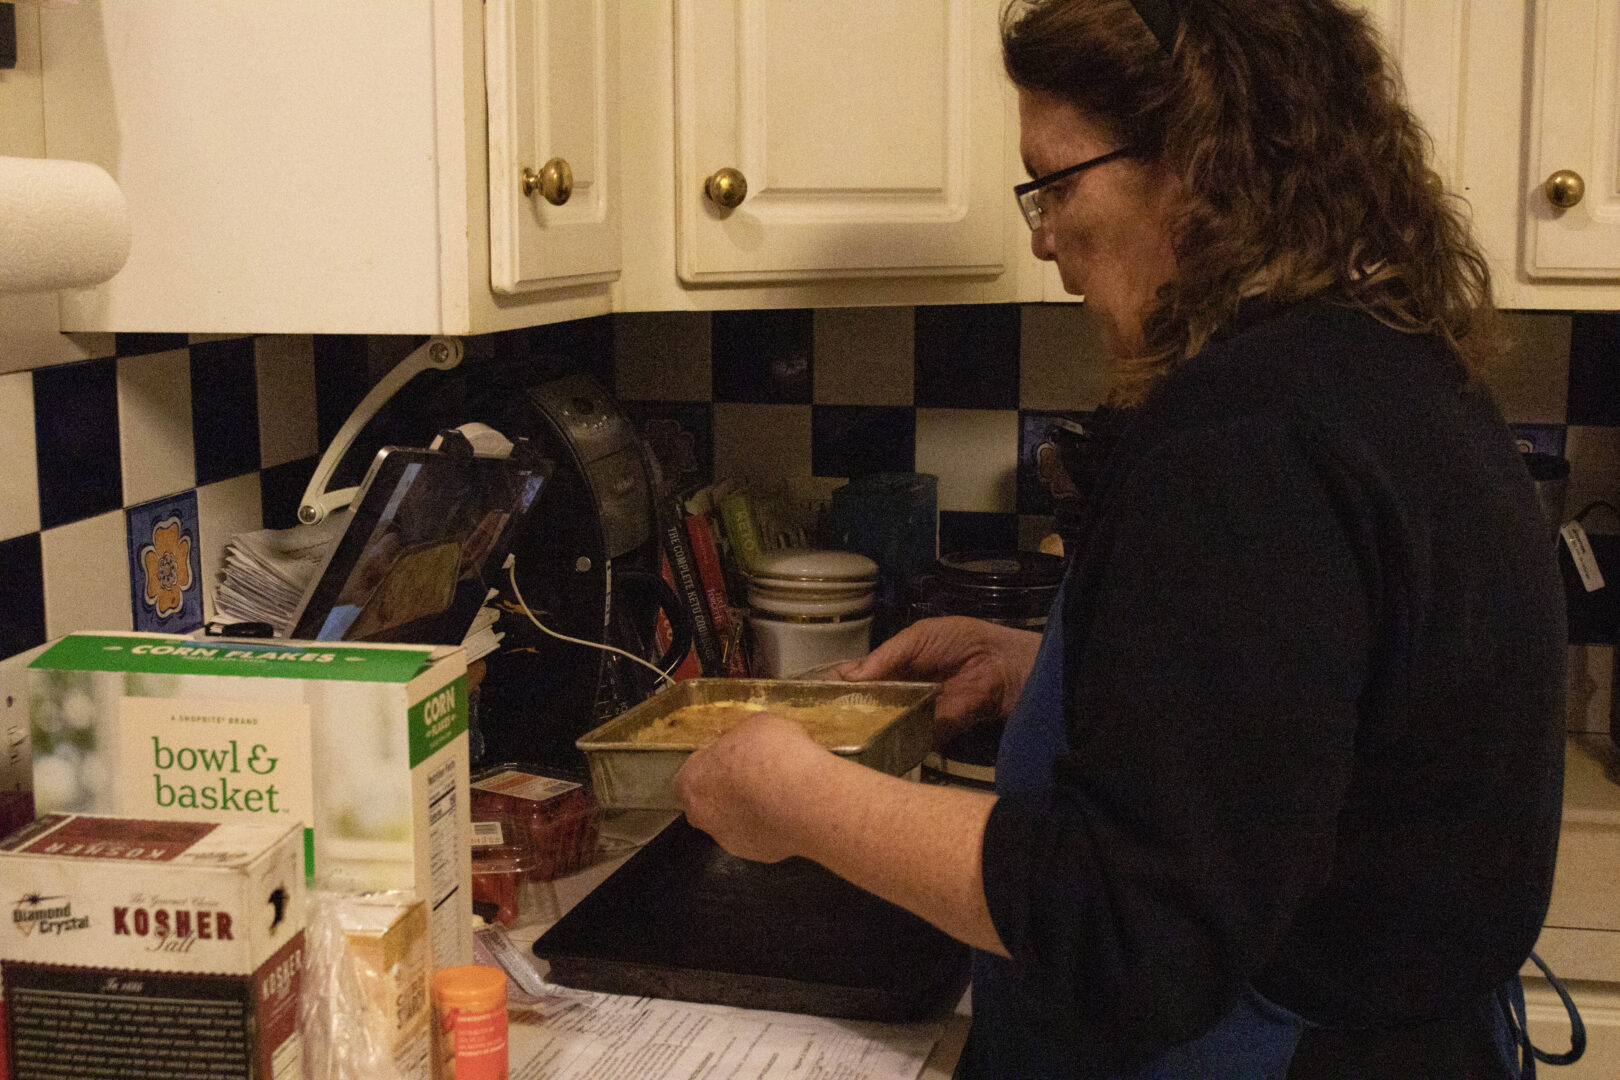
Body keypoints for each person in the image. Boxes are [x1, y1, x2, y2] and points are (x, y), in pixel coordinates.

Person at [674, 0, 1568, 1075]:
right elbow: (1304, 720)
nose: (1045, 236)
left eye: (1057, 184)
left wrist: (795, 795)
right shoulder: (1385, 371)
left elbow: (1133, 925)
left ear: (1200, 165)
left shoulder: (1245, 438)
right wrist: (1049, 672)